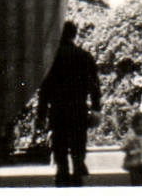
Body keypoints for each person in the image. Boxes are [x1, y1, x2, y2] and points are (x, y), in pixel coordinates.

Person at [37, 20, 101, 187]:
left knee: (60, 143)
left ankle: (62, 172)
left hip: (58, 108)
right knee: (78, 141)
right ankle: (78, 168)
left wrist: (41, 114)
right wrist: (96, 108)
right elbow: (94, 85)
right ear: (74, 34)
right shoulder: (85, 56)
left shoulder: (51, 58)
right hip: (78, 106)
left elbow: (45, 89)